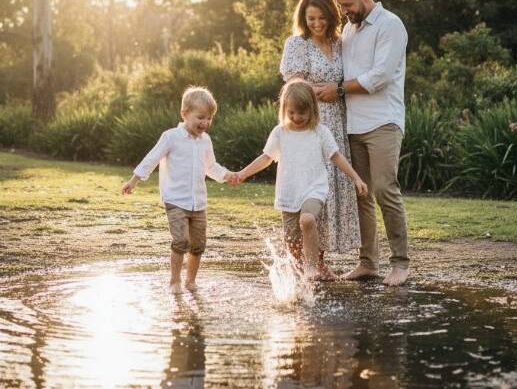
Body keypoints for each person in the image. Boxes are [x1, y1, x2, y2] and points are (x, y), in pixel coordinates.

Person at [313, 0, 410, 286]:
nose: (344, 11)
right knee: (362, 194)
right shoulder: (351, 32)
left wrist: (337, 89)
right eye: (342, 6)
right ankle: (368, 263)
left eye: (348, 4)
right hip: (352, 124)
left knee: (384, 188)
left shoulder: (390, 25)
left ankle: (400, 263)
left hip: (384, 122)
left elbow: (379, 76)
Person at [236, 80, 368, 280]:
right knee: (292, 245)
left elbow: (336, 156)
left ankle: (312, 267)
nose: (297, 117)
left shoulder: (320, 132)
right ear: (284, 110)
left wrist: (356, 178)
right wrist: (243, 173)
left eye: (302, 113)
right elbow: (266, 158)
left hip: (314, 189)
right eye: (291, 113)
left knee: (307, 219)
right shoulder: (280, 133)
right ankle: (300, 281)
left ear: (312, 110)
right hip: (289, 193)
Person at [121, 86, 238, 294]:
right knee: (181, 240)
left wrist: (226, 175)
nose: (205, 123)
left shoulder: (206, 141)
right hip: (175, 199)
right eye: (200, 117)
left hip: (198, 202)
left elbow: (211, 166)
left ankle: (190, 281)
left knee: (198, 245)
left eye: (209, 118)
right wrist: (134, 180)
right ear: (185, 114)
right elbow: (152, 158)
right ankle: (174, 281)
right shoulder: (171, 137)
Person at [279, 0, 360, 278]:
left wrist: (336, 90)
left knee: (327, 189)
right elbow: (294, 84)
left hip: (335, 122)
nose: (316, 23)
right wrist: (324, 90)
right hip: (307, 120)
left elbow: (347, 80)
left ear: (331, 16)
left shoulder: (339, 44)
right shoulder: (297, 44)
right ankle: (297, 263)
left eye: (322, 18)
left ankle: (319, 261)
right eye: (311, 18)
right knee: (306, 184)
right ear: (303, 17)